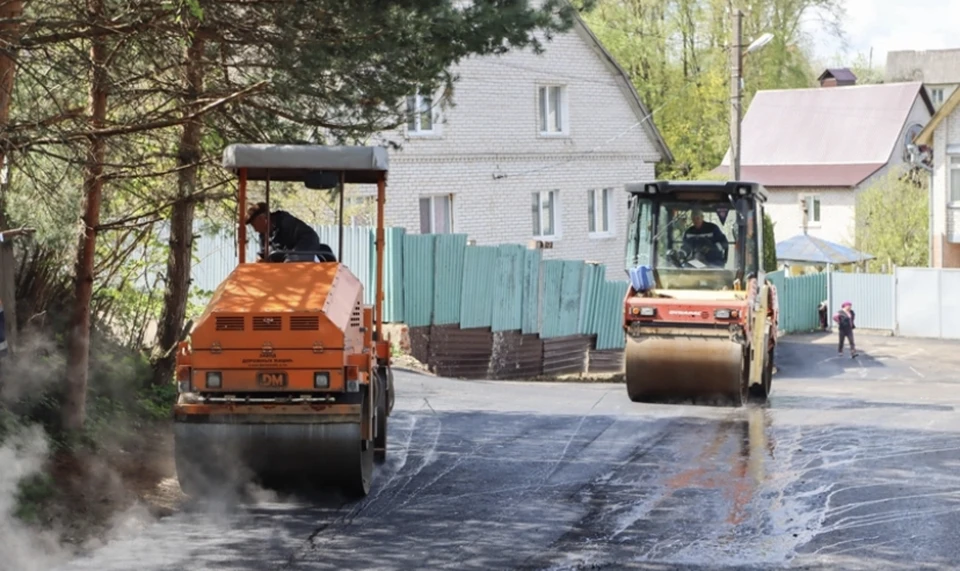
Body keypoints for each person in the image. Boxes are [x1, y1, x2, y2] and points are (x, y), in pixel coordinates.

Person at [245, 202, 336, 263]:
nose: (255, 230)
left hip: (301, 266)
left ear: (263, 219)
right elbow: (264, 255)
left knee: (292, 262)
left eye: (254, 225)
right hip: (280, 275)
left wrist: (292, 259)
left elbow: (308, 240)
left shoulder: (286, 223)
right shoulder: (263, 235)